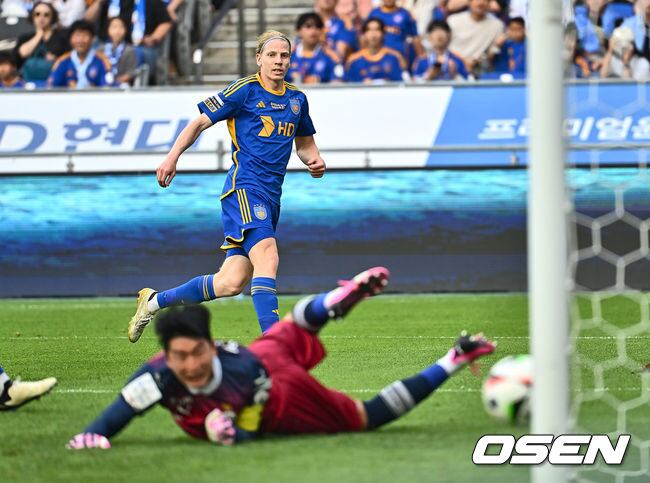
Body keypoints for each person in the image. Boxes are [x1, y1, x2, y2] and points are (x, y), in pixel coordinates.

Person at [67, 267, 496, 448]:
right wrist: (91, 437)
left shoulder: (245, 376)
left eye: (197, 353)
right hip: (262, 351)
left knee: (365, 418)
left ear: (211, 346)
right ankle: (334, 301)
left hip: (278, 389)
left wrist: (229, 433)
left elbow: (253, 432)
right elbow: (116, 415)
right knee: (291, 327)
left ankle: (453, 358)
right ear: (165, 355)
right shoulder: (157, 376)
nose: (191, 364)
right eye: (180, 357)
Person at [126, 30, 326, 343]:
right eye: (271, 55)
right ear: (259, 59)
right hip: (243, 188)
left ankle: (153, 302)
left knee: (230, 282)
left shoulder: (297, 100)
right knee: (268, 256)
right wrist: (172, 157)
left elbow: (305, 145)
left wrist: (314, 160)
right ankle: (275, 343)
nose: (278, 61)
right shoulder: (245, 90)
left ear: (290, 60)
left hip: (271, 196)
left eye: (284, 55)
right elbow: (198, 122)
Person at [84, 0, 173, 84]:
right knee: (94, 49)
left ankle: (132, 83)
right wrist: (99, 2)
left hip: (139, 46)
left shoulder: (151, 1)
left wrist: (154, 37)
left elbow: (165, 21)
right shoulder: (107, 2)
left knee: (139, 53)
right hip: (107, 44)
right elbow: (87, 20)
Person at [14, 1, 69, 85]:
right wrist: (39, 35)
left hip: (56, 83)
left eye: (46, 14)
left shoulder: (62, 36)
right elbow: (22, 53)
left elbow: (70, 55)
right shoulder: (25, 37)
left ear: (52, 17)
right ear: (32, 16)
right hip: (28, 84)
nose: (41, 17)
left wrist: (57, 59)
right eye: (37, 14)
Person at [48, 20, 113, 88]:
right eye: (77, 35)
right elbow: (51, 86)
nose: (80, 40)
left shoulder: (102, 61)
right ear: (70, 39)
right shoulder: (62, 61)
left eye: (85, 35)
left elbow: (107, 87)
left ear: (92, 39)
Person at [447, 0, 503, 74]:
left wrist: (497, 45)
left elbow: (491, 54)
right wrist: (463, 61)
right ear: (469, 2)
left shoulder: (497, 25)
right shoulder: (453, 20)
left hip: (479, 69)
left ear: (490, 3)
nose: (480, 3)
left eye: (485, 0)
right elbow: (444, 47)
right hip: (453, 66)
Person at [345, 17, 408, 83]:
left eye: (377, 29)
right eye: (369, 30)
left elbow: (401, 83)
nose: (373, 34)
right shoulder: (355, 59)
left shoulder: (393, 57)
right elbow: (349, 84)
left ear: (383, 33)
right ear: (364, 34)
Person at [288, 12, 342, 84]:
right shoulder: (288, 56)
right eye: (308, 26)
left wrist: (320, 83)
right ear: (298, 31)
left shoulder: (331, 57)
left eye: (318, 26)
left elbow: (338, 84)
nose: (313, 30)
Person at [367, 0, 423, 65]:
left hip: (400, 59)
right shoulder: (374, 14)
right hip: (378, 57)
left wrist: (421, 58)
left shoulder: (405, 14)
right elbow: (365, 37)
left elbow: (415, 38)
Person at [102, 16, 138, 86]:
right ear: (108, 29)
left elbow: (131, 72)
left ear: (126, 30)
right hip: (102, 84)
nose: (117, 30)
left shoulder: (130, 50)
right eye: (114, 27)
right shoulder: (101, 49)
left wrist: (115, 82)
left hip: (121, 85)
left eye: (121, 27)